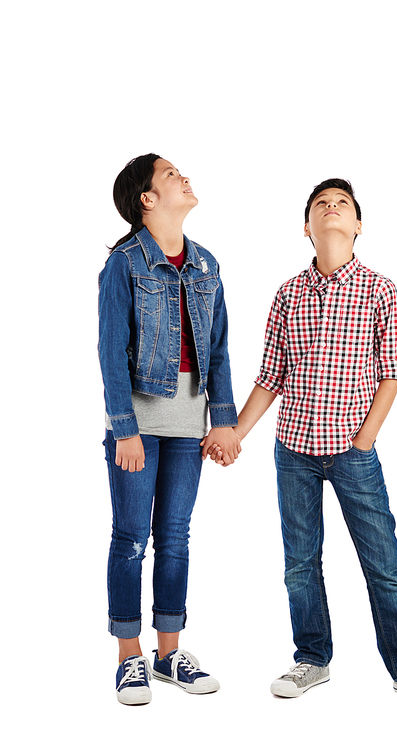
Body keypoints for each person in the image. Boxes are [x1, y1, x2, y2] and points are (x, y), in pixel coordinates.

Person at [204, 178, 397, 709]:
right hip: (294, 449)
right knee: (300, 561)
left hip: (354, 450)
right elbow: (270, 376)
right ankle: (312, 658)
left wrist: (366, 438)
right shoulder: (289, 293)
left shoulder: (379, 289)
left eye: (341, 204)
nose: (331, 209)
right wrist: (236, 432)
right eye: (321, 205)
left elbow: (392, 371)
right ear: (307, 228)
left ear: (358, 225)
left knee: (383, 562)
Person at [98, 153, 241, 705]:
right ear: (147, 200)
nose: (184, 176)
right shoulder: (124, 264)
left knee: (175, 538)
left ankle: (167, 654)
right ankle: (128, 657)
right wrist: (124, 429)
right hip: (136, 426)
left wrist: (223, 422)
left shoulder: (206, 265)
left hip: (189, 425)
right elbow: (112, 352)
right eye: (170, 174)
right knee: (132, 539)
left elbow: (221, 349)